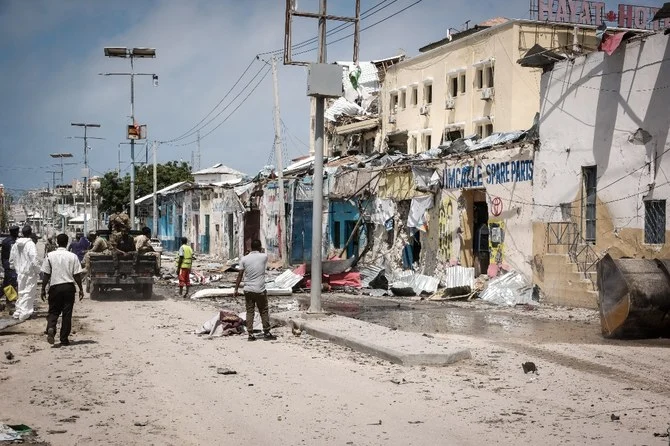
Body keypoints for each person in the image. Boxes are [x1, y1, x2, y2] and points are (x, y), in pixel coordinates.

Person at [40, 233, 84, 346]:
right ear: (67, 242)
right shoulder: (72, 256)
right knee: (67, 314)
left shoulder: (50, 256)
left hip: (55, 287)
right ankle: (64, 339)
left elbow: (46, 274)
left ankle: (51, 328)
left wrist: (43, 289)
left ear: (57, 242)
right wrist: (81, 289)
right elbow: (77, 275)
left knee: (53, 311)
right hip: (69, 287)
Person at [234, 239, 277, 341]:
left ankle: (250, 334)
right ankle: (266, 332)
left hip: (248, 289)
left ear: (250, 247)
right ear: (260, 247)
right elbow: (262, 255)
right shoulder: (264, 257)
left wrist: (236, 289)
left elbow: (240, 275)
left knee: (250, 311)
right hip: (260, 289)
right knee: (263, 310)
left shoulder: (244, 259)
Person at [9, 225, 41, 321]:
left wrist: (15, 268)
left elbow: (11, 259)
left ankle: (18, 312)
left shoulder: (16, 244)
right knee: (28, 293)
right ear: (30, 232)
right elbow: (34, 259)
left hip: (20, 272)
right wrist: (38, 271)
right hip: (29, 273)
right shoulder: (30, 244)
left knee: (21, 292)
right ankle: (24, 314)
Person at [1, 225, 19, 303]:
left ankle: (10, 300)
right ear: (15, 232)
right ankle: (10, 300)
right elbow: (13, 255)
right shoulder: (13, 242)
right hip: (10, 265)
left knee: (7, 283)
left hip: (6, 264)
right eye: (17, 232)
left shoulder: (5, 241)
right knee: (11, 283)